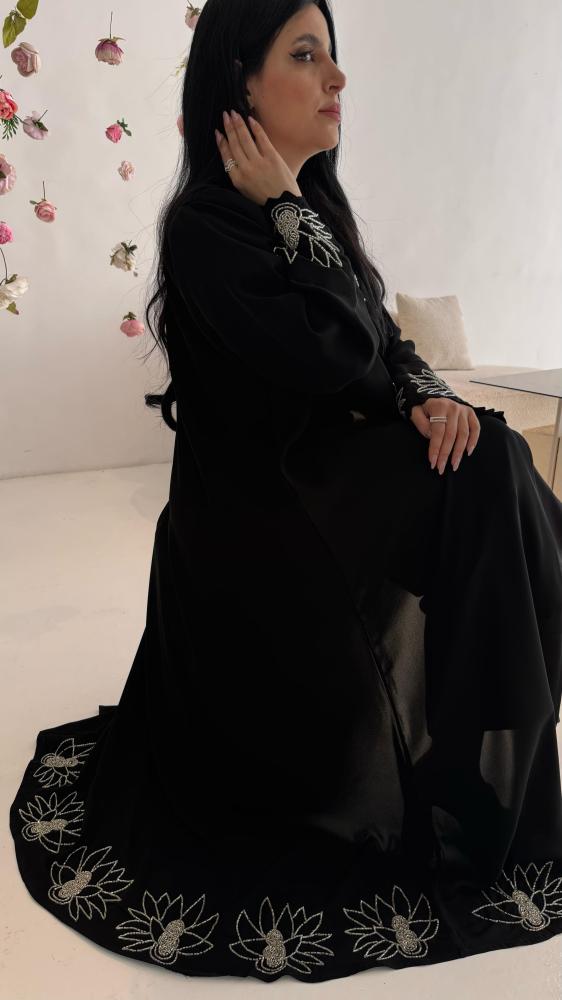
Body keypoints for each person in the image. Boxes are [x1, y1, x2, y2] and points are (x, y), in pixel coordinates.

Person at [10, 0, 562, 983]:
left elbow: (383, 342)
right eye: (306, 56)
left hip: (330, 494)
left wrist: (430, 397)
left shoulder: (313, 214)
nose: (336, 78)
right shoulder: (208, 226)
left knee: (489, 455)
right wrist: (285, 209)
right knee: (487, 474)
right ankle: (479, 782)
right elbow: (332, 358)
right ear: (241, 84)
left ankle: (482, 774)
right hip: (259, 524)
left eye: (332, 56)